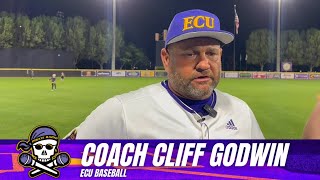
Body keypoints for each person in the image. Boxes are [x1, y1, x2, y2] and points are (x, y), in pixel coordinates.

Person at [65, 9, 264, 139]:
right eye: (190, 53)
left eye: (211, 53)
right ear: (166, 59)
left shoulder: (241, 112)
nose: (204, 64)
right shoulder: (122, 112)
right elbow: (57, 167)